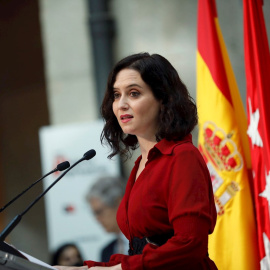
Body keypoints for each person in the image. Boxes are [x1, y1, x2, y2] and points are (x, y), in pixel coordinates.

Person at [54, 52, 217, 270]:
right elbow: (139, 254)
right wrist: (87, 268)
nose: (121, 104)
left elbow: (190, 245)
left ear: (163, 99)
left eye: (133, 93)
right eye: (116, 95)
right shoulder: (141, 164)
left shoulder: (182, 157)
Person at [86, 176, 129, 262]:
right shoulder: (106, 252)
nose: (97, 219)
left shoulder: (149, 241)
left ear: (119, 202)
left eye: (99, 212)